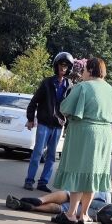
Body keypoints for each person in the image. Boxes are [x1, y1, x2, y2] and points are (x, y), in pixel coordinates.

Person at [52, 57, 112, 224]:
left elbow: (65, 108)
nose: (82, 73)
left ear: (89, 70)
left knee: (78, 172)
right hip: (104, 134)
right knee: (93, 175)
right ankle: (84, 215)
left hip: (84, 132)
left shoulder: (82, 87)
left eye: (83, 70)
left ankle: (70, 214)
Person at [23, 52, 73, 192]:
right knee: (38, 152)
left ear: (69, 68)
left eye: (66, 66)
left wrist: (68, 126)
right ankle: (29, 180)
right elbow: (34, 101)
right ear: (56, 66)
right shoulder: (47, 83)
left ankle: (43, 183)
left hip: (58, 126)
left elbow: (70, 108)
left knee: (51, 155)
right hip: (44, 124)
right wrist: (30, 119)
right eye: (61, 65)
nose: (63, 68)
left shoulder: (69, 86)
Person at [5, 189, 112, 220]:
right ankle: (34, 207)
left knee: (70, 195)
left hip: (109, 195)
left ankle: (41, 200)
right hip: (107, 210)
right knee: (64, 209)